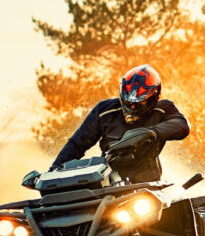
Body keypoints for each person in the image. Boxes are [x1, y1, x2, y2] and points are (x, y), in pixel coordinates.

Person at [48, 64, 189, 182]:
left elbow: (182, 125)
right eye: (128, 103)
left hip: (147, 184)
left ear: (154, 97)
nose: (132, 107)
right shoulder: (104, 110)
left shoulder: (164, 108)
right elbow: (77, 144)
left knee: (171, 209)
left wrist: (152, 132)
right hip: (107, 181)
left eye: (138, 104)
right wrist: (55, 170)